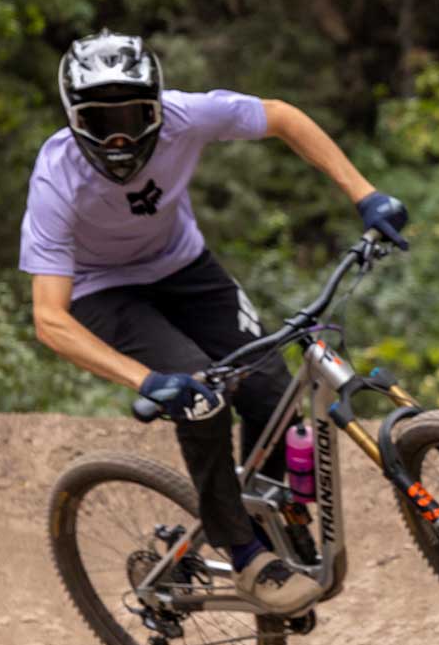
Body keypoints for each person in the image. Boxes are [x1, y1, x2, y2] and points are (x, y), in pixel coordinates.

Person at [21, 30, 409, 613]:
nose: (120, 135)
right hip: (104, 291)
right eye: (101, 121)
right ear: (75, 120)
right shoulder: (57, 178)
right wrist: (147, 381)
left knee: (272, 394)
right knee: (200, 396)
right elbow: (50, 319)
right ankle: (247, 553)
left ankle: (273, 514)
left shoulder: (188, 116)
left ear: (157, 107)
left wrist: (364, 194)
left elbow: (281, 117)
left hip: (184, 268)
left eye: (133, 115)